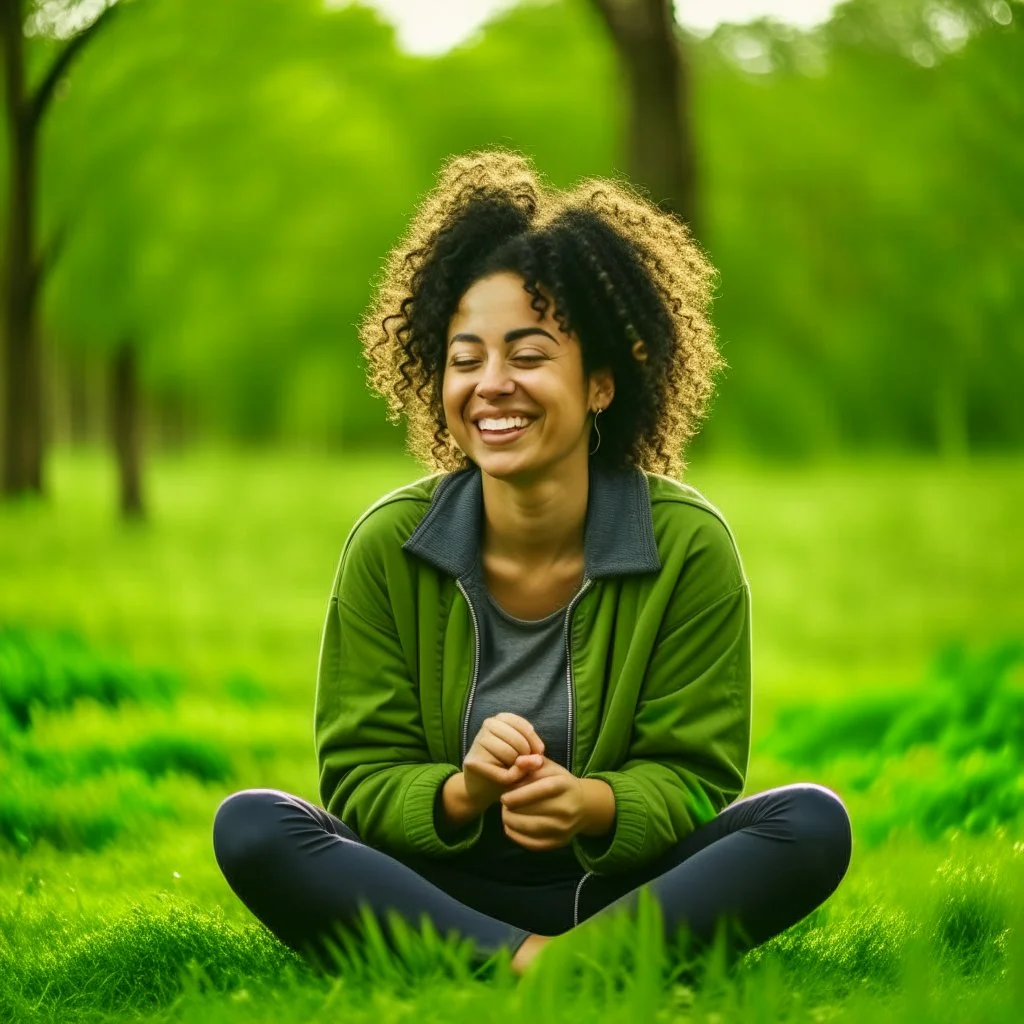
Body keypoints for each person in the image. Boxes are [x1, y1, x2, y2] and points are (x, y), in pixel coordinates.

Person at [213, 149, 852, 978]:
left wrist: (592, 803)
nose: (492, 385)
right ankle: (562, 972)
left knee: (810, 823)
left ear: (601, 382)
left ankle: (522, 967)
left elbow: (698, 777)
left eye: (529, 355)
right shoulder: (389, 544)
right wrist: (462, 792)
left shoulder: (687, 543)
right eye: (466, 357)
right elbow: (360, 776)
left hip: (617, 886)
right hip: (436, 884)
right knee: (254, 826)